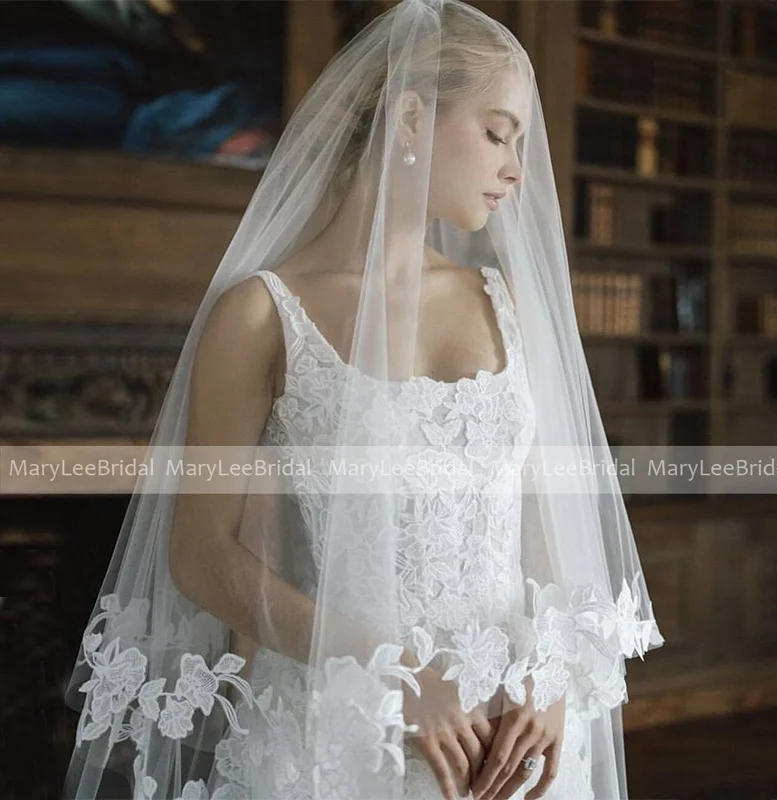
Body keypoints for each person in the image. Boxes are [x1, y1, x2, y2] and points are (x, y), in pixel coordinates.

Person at [62, 1, 664, 799]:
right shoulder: (259, 313)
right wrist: (391, 670)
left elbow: (543, 521)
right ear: (410, 117)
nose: (517, 168)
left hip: (513, 735)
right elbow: (200, 556)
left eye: (519, 140)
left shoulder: (508, 301)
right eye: (496, 132)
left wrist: (552, 677)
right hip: (344, 730)